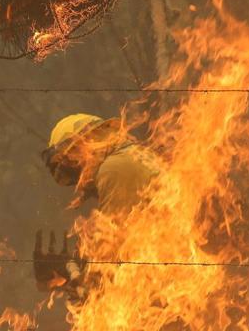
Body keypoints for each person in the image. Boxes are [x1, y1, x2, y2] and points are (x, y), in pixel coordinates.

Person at [33, 113, 157, 293]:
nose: (78, 180)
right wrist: (69, 272)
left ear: (87, 144)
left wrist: (71, 270)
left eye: (70, 161)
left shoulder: (116, 168)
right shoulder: (132, 156)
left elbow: (107, 269)